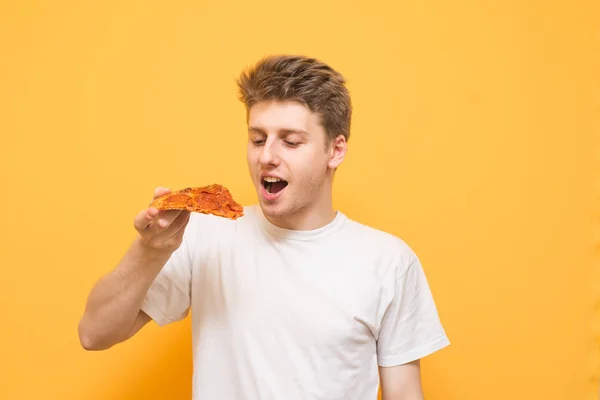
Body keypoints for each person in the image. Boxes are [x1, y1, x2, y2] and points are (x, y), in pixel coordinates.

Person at [78, 54, 450, 400]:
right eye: (258, 139)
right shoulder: (205, 237)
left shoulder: (388, 262)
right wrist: (150, 250)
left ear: (335, 151)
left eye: (290, 141)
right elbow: (94, 334)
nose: (267, 156)